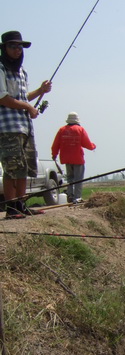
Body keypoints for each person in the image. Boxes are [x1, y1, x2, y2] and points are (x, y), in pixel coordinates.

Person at [0, 30, 52, 219]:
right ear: (4, 48)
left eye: (20, 47)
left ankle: (21, 204)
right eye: (12, 46)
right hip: (7, 128)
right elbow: (3, 98)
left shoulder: (22, 72)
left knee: (24, 168)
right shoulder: (1, 68)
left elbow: (22, 97)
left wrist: (40, 90)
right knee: (12, 168)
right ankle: (11, 207)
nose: (17, 50)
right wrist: (29, 108)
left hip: (25, 127)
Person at [51, 112, 96, 204]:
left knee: (70, 178)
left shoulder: (62, 130)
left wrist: (54, 154)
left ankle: (70, 195)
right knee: (78, 179)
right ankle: (77, 197)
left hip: (66, 158)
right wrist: (93, 146)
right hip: (78, 158)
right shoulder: (80, 129)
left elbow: (56, 144)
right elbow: (87, 144)